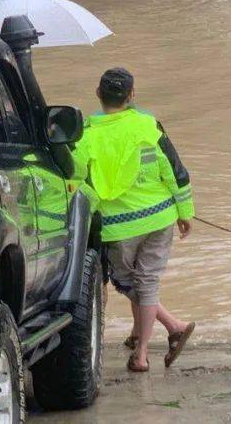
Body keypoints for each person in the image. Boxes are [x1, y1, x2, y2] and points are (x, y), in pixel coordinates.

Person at [73, 68, 196, 372]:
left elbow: (76, 181)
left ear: (98, 93)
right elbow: (175, 170)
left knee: (128, 282)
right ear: (131, 96)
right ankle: (164, 330)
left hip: (119, 226)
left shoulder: (86, 135)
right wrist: (185, 212)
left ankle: (145, 351)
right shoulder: (149, 125)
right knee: (148, 281)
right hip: (160, 218)